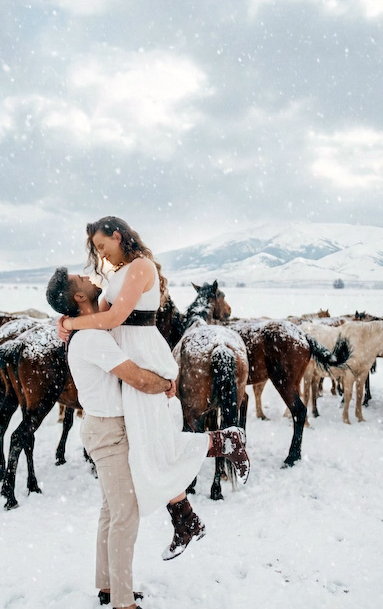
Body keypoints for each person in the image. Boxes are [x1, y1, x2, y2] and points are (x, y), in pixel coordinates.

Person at [58, 216, 250, 558]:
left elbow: (114, 319)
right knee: (148, 448)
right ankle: (187, 517)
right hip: (129, 361)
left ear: (119, 235)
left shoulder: (141, 266)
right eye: (96, 250)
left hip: (143, 358)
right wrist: (67, 323)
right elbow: (98, 322)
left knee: (153, 446)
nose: (100, 254)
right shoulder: (114, 275)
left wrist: (71, 322)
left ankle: (223, 445)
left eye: (102, 245)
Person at [46, 267, 171, 609]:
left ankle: (106, 586)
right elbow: (135, 377)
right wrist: (167, 383)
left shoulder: (86, 331)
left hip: (100, 428)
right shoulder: (93, 339)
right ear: (80, 298)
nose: (88, 275)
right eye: (80, 279)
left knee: (109, 511)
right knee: (125, 516)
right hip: (110, 433)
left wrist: (67, 323)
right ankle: (123, 606)